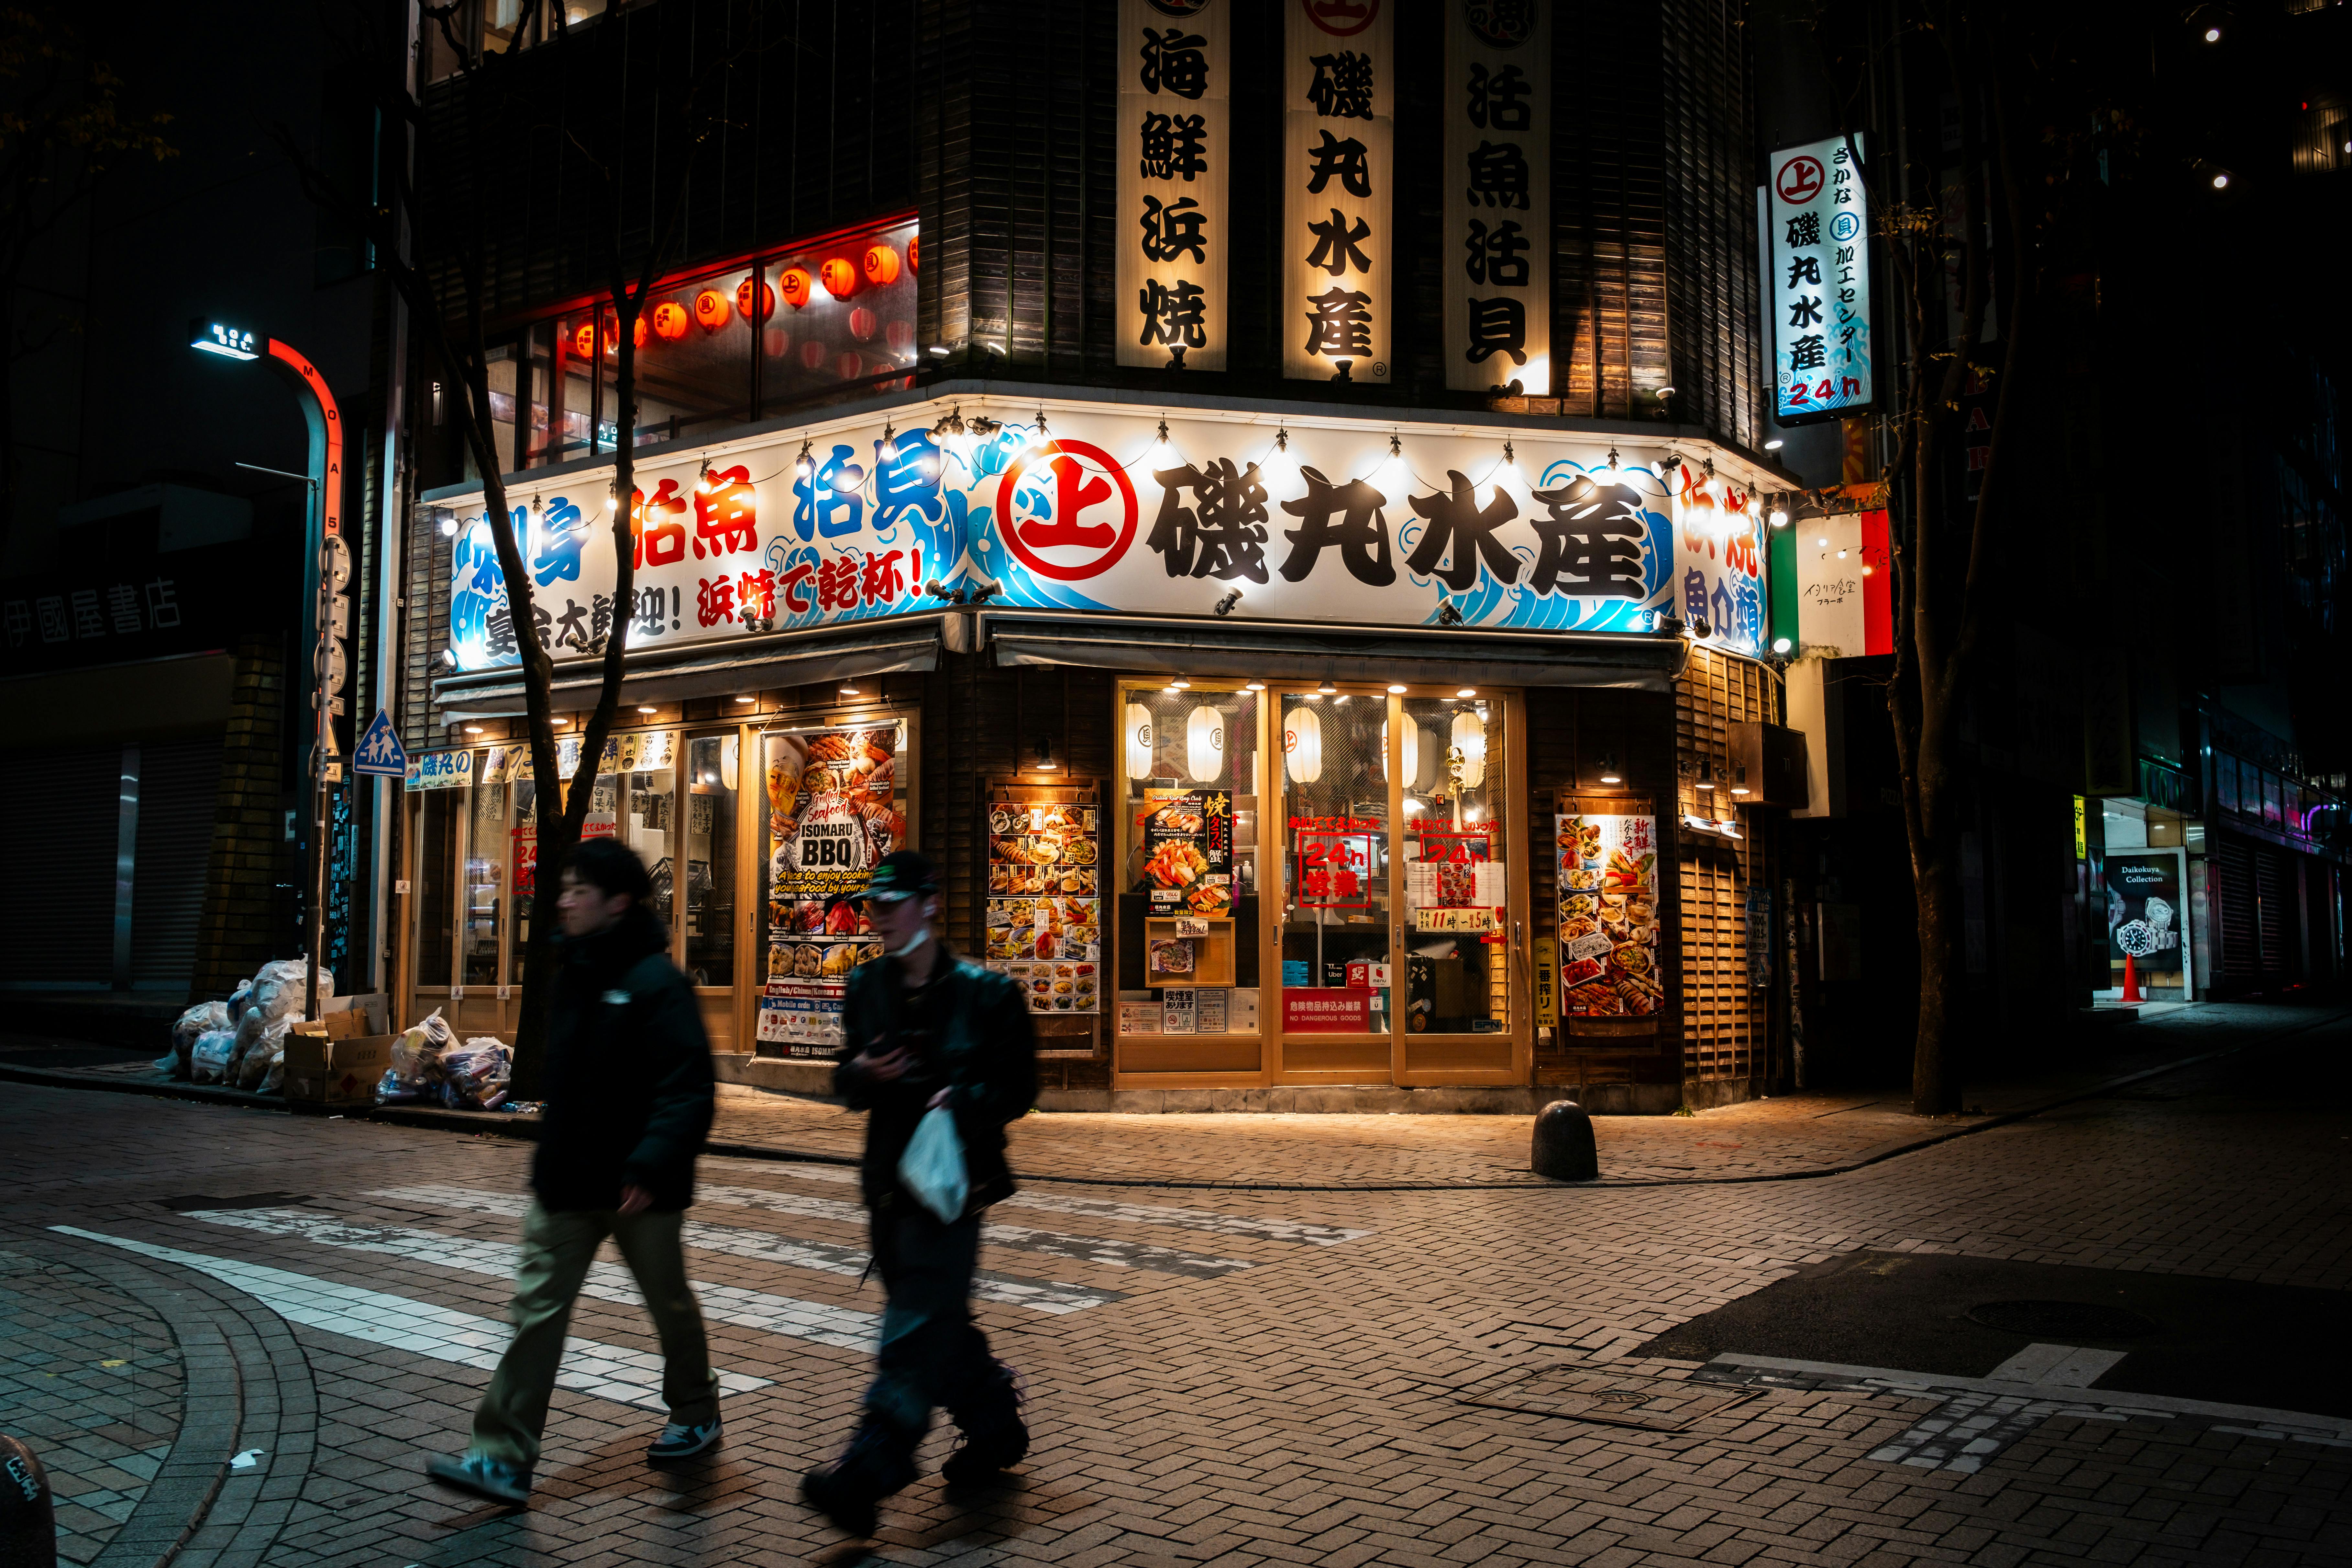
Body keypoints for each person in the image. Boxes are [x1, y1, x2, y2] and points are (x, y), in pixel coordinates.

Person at [424, 835, 721, 1506]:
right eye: (563, 887)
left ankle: (696, 1409)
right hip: (567, 1181)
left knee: (668, 1303)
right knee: (535, 1313)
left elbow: (688, 1088)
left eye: (578, 889)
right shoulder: (572, 973)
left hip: (638, 1186)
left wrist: (652, 1160)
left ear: (617, 902)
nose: (563, 899)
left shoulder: (656, 982)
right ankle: (501, 1458)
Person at [801, 849, 1038, 1538]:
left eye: (891, 902)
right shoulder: (865, 984)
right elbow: (845, 1077)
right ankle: (995, 1426)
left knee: (910, 1332)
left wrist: (957, 1098)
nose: (877, 917)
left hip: (953, 1187)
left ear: (928, 904)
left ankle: (868, 1469)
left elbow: (1018, 1090)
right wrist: (863, 1072)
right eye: (872, 904)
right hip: (886, 1188)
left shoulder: (985, 993)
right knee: (935, 1320)